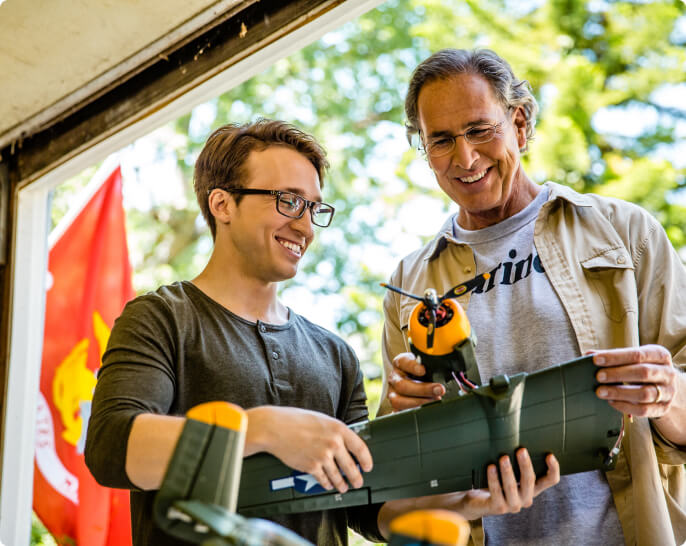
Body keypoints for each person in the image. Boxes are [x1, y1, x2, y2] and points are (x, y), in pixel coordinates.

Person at [379, 49, 686, 545]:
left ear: (519, 122)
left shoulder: (625, 233)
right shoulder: (410, 284)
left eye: (480, 130)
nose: (465, 158)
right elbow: (399, 497)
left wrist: (666, 392)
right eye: (441, 140)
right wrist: (405, 413)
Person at [85, 119, 385, 545]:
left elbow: (364, 501)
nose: (306, 227)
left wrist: (463, 500)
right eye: (288, 201)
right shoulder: (161, 318)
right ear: (222, 205)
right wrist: (259, 429)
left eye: (314, 208)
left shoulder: (336, 354)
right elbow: (111, 449)